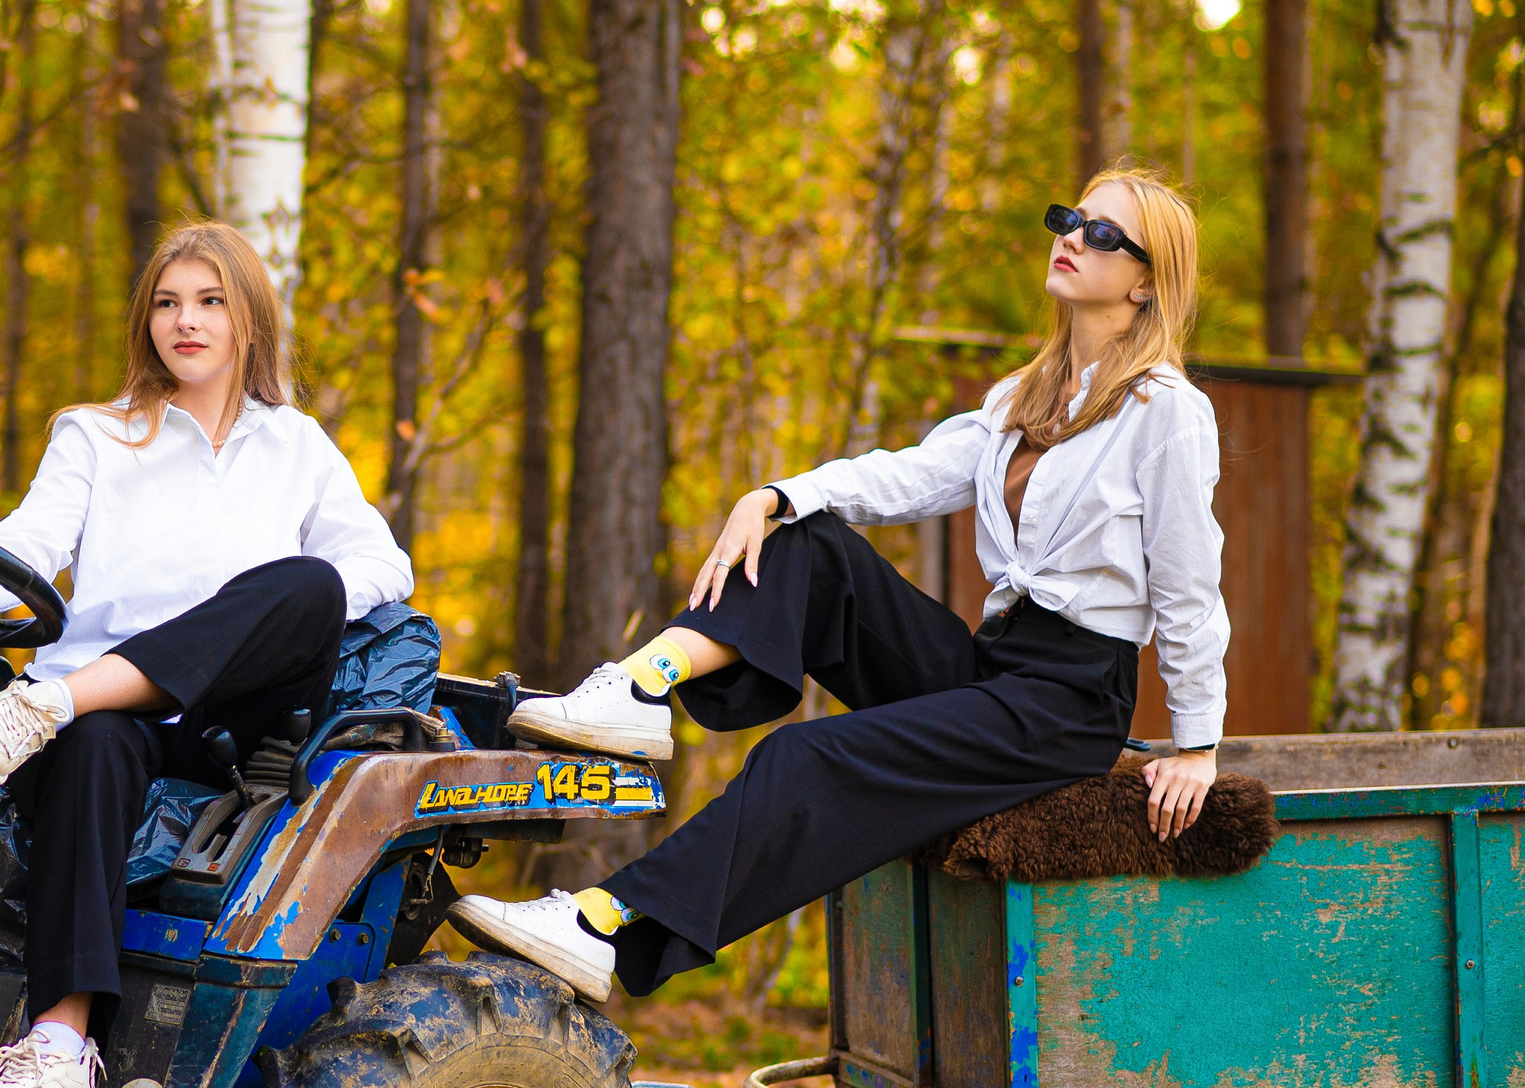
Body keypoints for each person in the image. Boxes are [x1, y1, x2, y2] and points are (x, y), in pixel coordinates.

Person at [453, 166, 1227, 1004]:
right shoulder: (1025, 397)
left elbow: (1190, 587)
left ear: (1145, 282)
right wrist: (775, 495)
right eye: (1069, 218)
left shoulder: (1166, 412)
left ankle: (600, 923)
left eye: (1103, 233)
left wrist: (1197, 744)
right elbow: (909, 475)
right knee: (810, 541)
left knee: (801, 756)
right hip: (996, 664)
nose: (1072, 237)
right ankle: (640, 687)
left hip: (1066, 704)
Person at [0, 221, 413, 1088]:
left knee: (310, 585)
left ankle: (54, 698)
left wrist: (242, 614)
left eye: (209, 302)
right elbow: (28, 545)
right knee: (91, 738)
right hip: (103, 725)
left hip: (230, 725)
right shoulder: (97, 434)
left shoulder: (298, 446)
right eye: (167, 303)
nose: (185, 321)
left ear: (248, 319)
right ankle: (60, 1051)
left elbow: (383, 567)